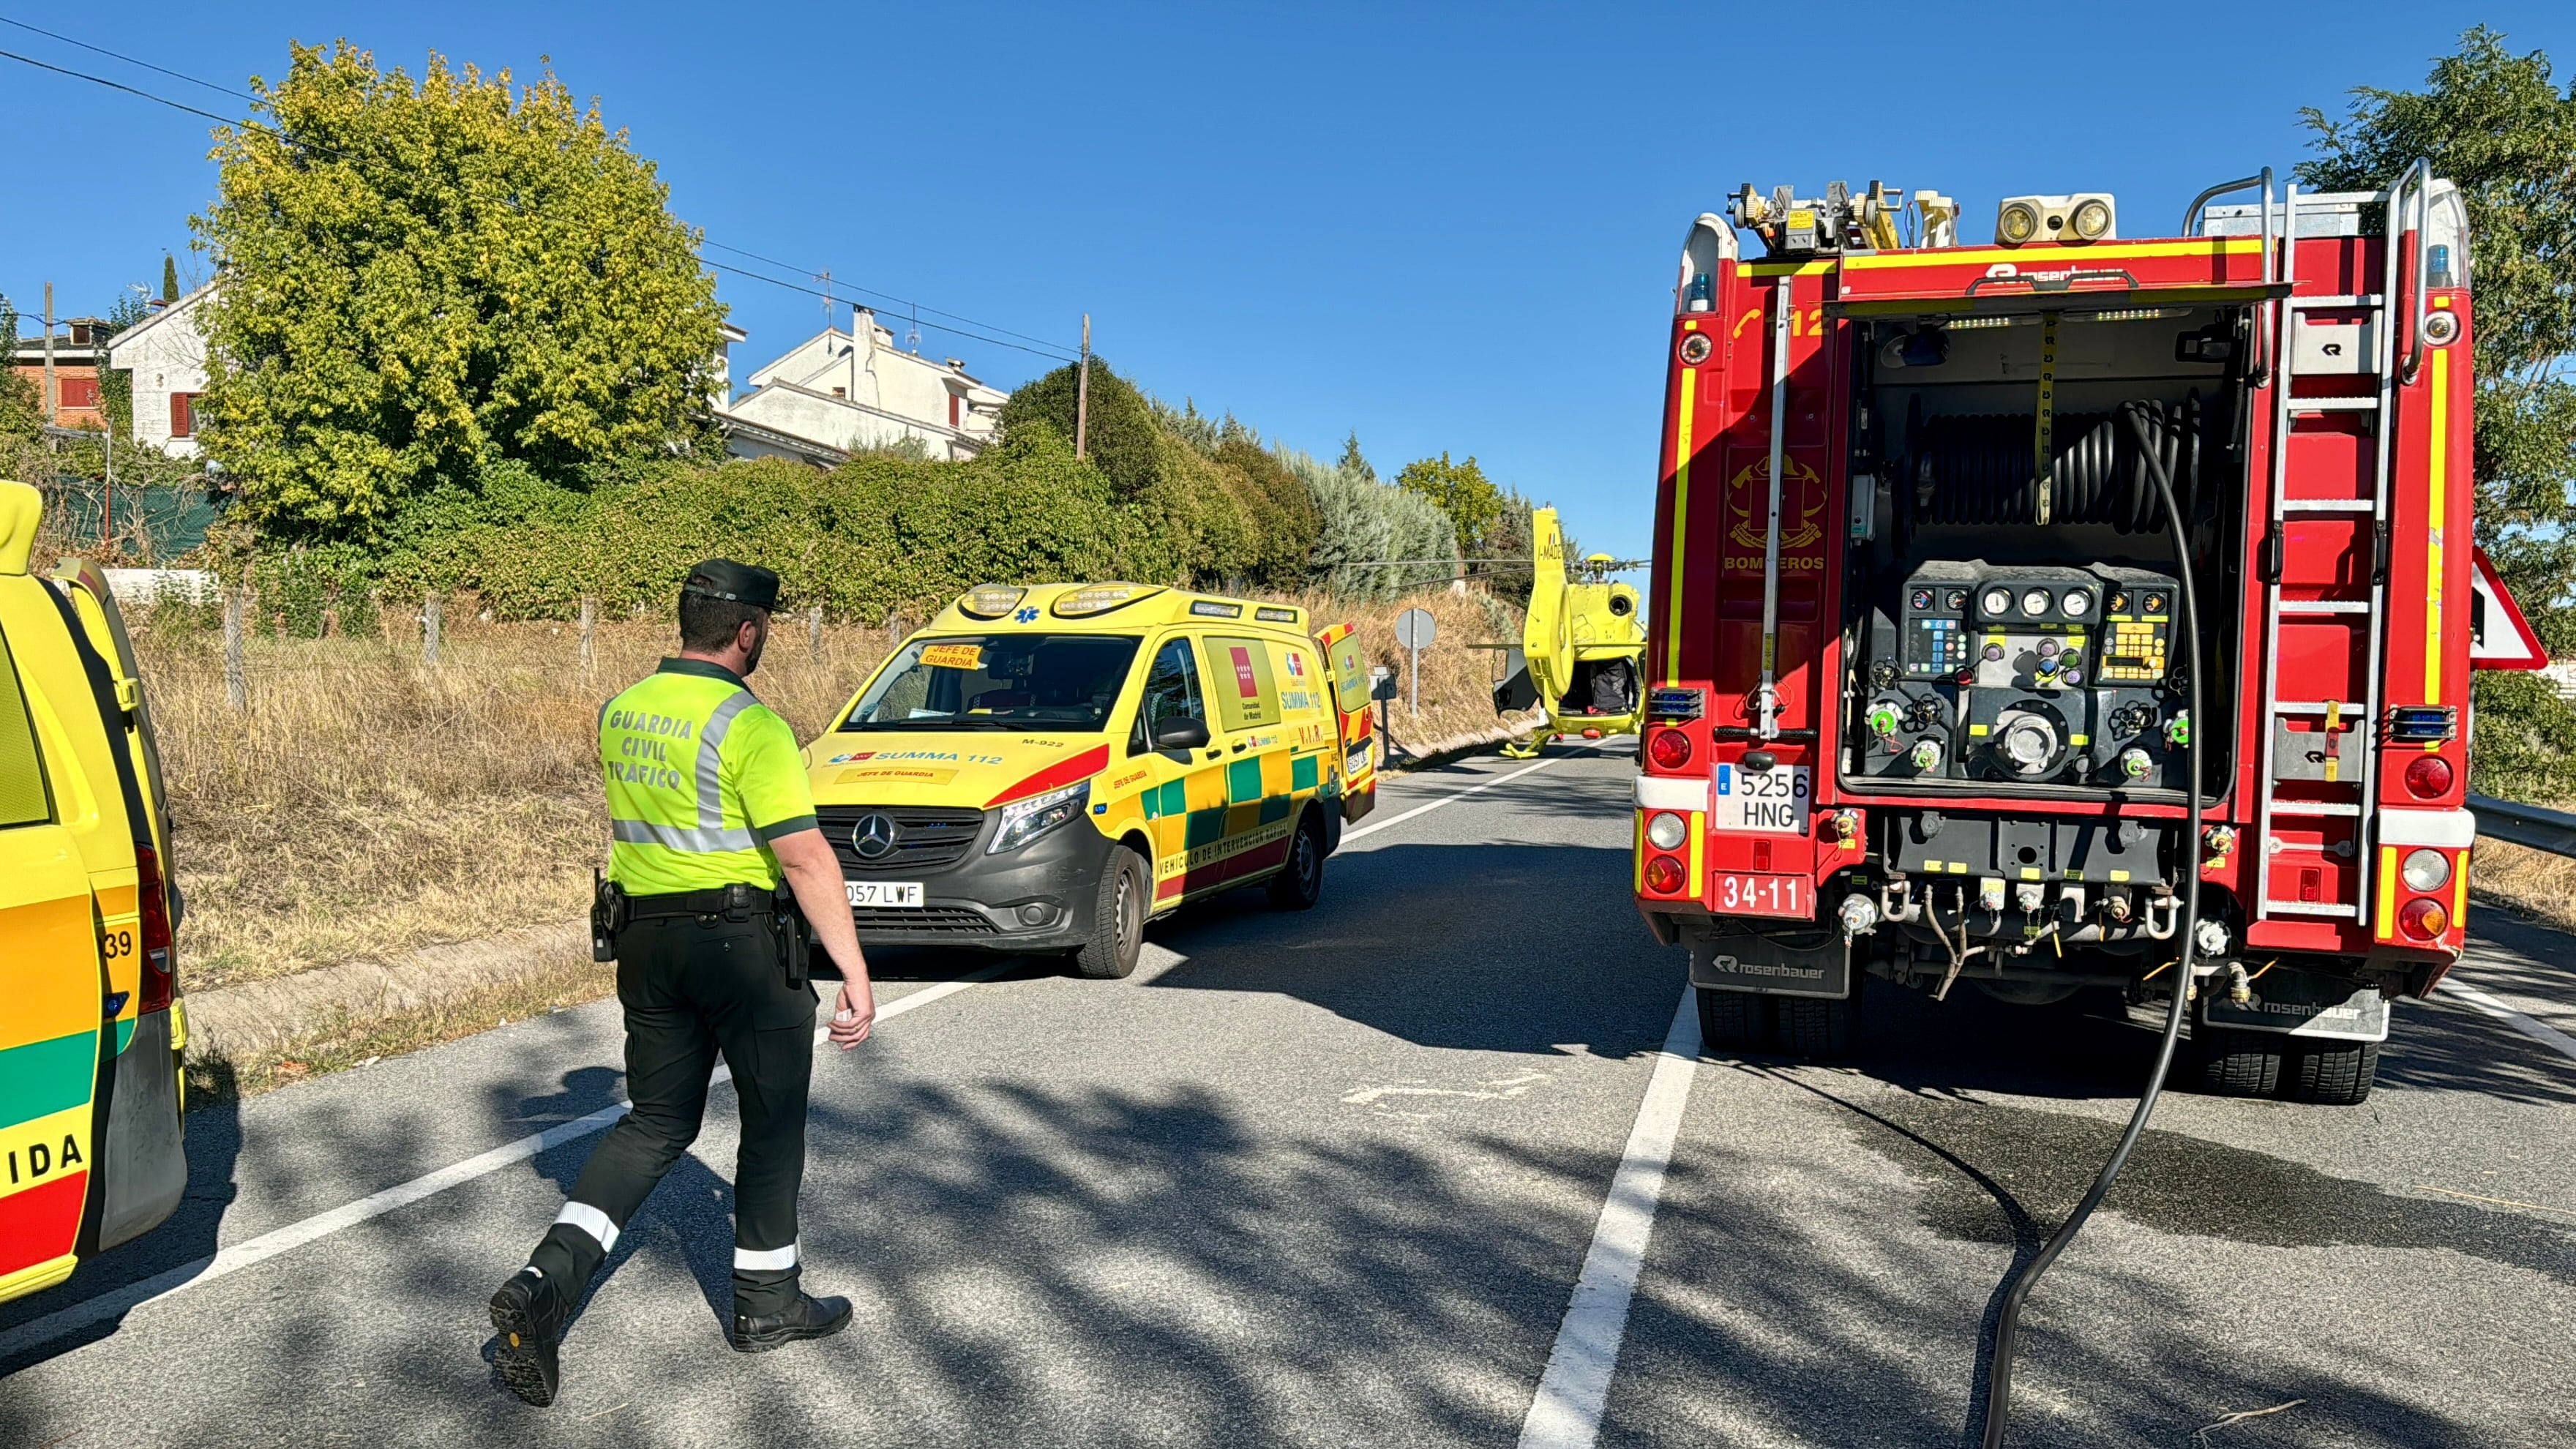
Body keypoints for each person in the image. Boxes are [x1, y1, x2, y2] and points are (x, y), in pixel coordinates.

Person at [488, 559, 877, 1407]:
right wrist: (852, 970)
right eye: (764, 628)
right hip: (740, 944)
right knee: (772, 1122)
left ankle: (543, 1285)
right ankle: (767, 1305)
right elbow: (804, 856)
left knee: (656, 1122)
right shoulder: (752, 725)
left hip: (645, 943)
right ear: (748, 632)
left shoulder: (620, 713)